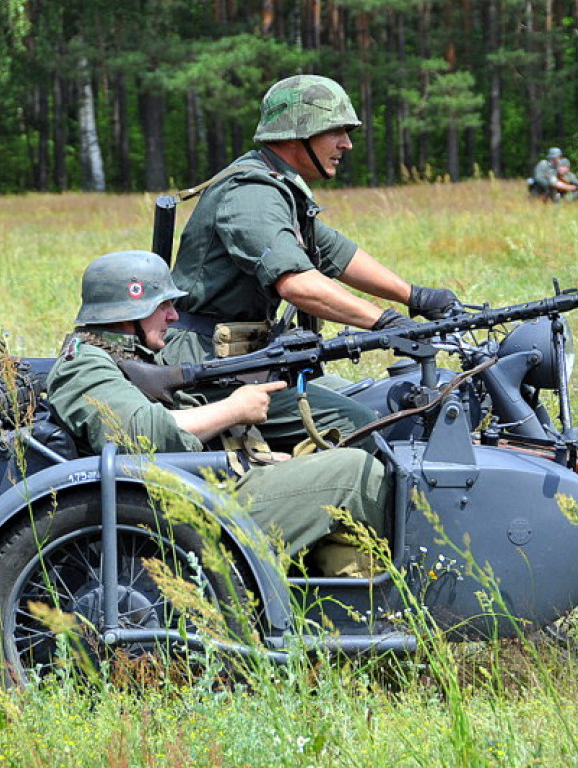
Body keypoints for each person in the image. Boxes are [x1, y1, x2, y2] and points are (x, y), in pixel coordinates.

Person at [46, 250, 389, 576]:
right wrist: (235, 409)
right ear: (128, 312)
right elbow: (141, 434)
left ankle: (355, 601)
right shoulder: (84, 366)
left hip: (200, 493)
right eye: (162, 305)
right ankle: (400, 596)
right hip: (182, 516)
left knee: (330, 452)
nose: (173, 315)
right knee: (355, 472)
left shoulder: (132, 355)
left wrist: (259, 459)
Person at [163, 74, 458, 452]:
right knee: (365, 427)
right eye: (335, 131)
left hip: (241, 358)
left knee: (373, 396)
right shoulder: (252, 192)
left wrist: (415, 297)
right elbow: (296, 283)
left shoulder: (277, 185)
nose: (346, 144)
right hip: (208, 366)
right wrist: (382, 322)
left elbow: (336, 254)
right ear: (298, 132)